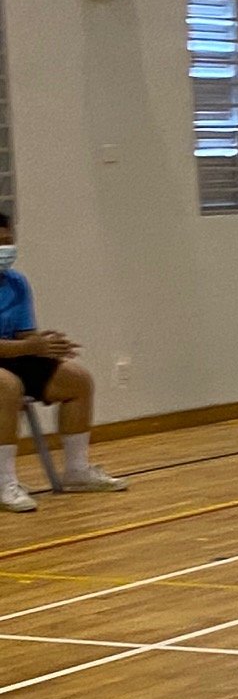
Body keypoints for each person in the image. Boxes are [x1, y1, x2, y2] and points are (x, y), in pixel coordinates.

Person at [0, 212, 127, 512]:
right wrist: (29, 346)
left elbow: (25, 335)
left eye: (8, 242)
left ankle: (76, 470)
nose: (5, 249)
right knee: (6, 387)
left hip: (11, 356)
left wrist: (45, 346)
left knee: (77, 379)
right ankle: (4, 481)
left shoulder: (16, 283)